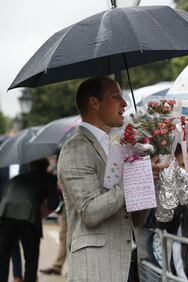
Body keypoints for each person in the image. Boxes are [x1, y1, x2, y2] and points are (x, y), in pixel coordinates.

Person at [57, 77, 166, 282]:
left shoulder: (118, 146)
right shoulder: (75, 148)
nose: (124, 103)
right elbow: (89, 211)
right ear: (94, 103)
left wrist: (147, 181)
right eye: (116, 97)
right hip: (97, 267)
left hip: (128, 262)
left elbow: (137, 218)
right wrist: (134, 178)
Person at [0, 158, 59, 282]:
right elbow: (54, 203)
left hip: (5, 216)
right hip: (29, 217)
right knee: (31, 260)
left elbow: (5, 197)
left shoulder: (17, 178)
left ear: (30, 166)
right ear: (46, 167)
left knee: (3, 258)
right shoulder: (49, 178)